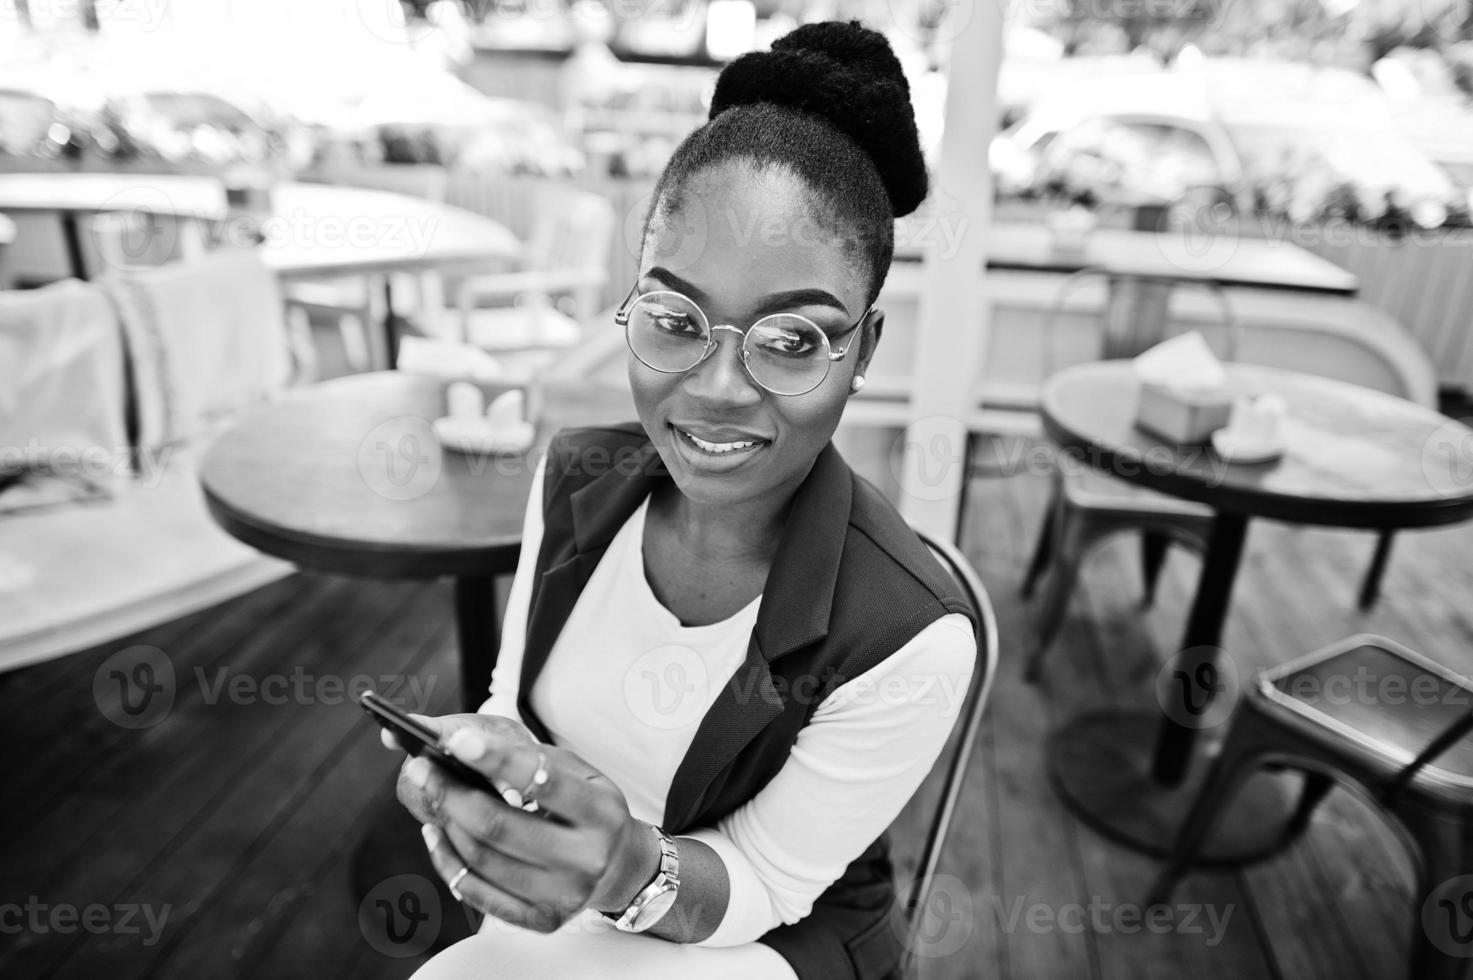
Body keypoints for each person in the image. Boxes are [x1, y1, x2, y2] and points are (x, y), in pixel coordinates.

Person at [386, 20, 980, 980]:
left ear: (861, 353)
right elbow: (516, 701)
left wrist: (624, 868)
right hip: (577, 913)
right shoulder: (575, 478)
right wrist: (480, 775)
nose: (715, 388)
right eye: (674, 321)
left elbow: (769, 880)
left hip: (763, 939)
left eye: (791, 341)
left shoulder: (909, 630)